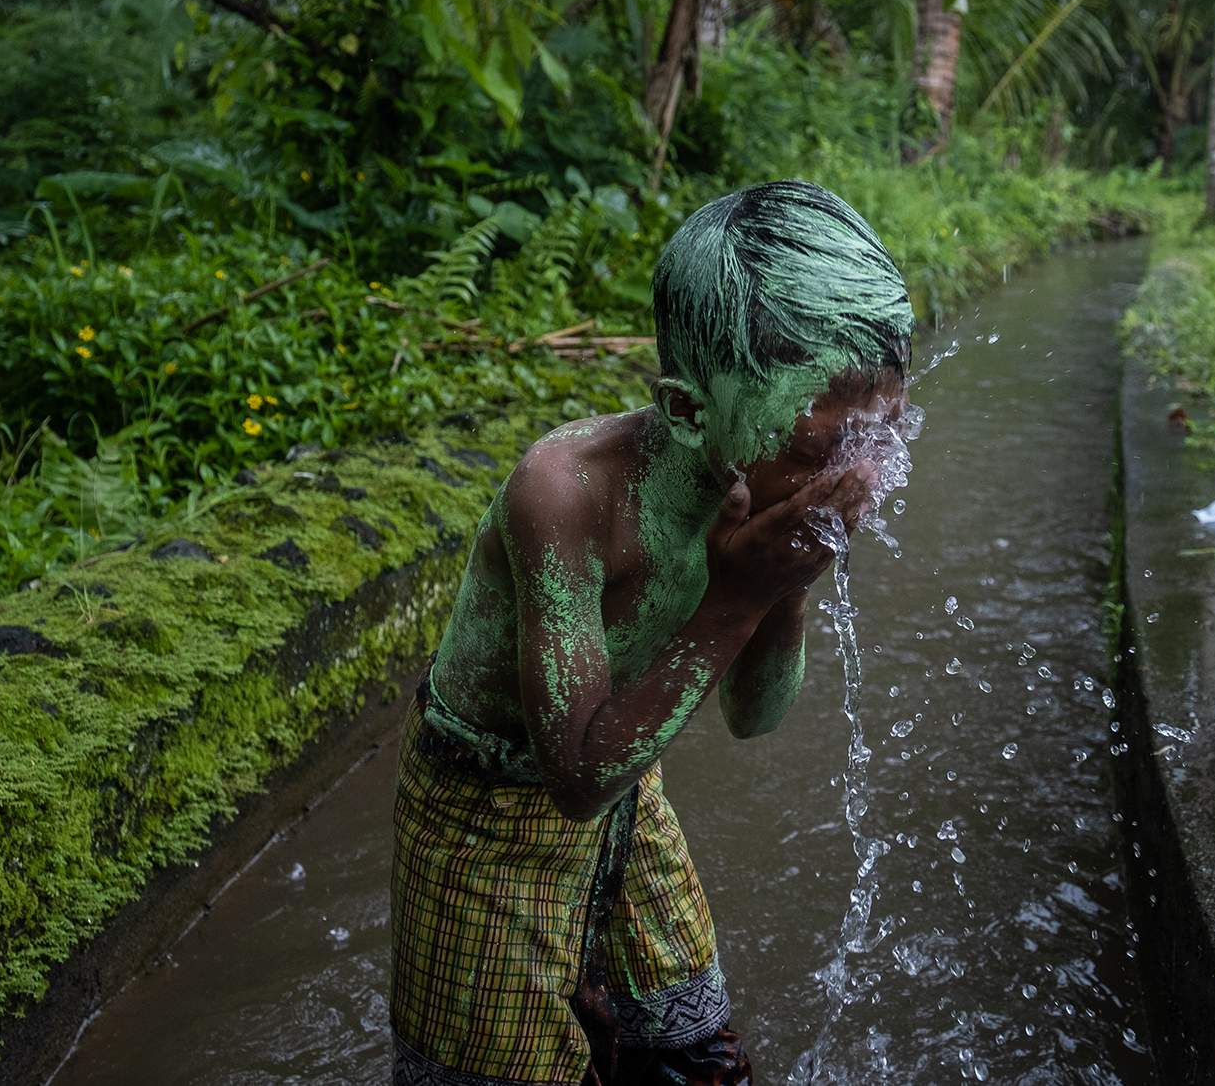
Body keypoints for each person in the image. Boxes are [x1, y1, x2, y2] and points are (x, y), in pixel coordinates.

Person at [390, 180, 914, 1086]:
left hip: (632, 773)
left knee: (690, 1048)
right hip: (484, 805)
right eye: (826, 445)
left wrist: (785, 583)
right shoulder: (563, 494)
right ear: (685, 411)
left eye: (877, 436)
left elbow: (756, 717)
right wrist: (740, 594)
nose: (857, 469)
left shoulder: (764, 489)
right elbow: (575, 779)